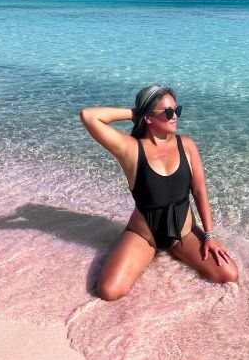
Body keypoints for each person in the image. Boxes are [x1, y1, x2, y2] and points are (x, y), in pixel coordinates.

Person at [79, 84, 239, 301]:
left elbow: (200, 191)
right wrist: (137, 112)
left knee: (228, 274)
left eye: (177, 110)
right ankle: (137, 251)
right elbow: (89, 116)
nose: (175, 116)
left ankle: (176, 250)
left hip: (183, 233)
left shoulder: (187, 145)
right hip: (145, 236)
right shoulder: (131, 149)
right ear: (148, 118)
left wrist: (210, 235)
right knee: (109, 291)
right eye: (168, 112)